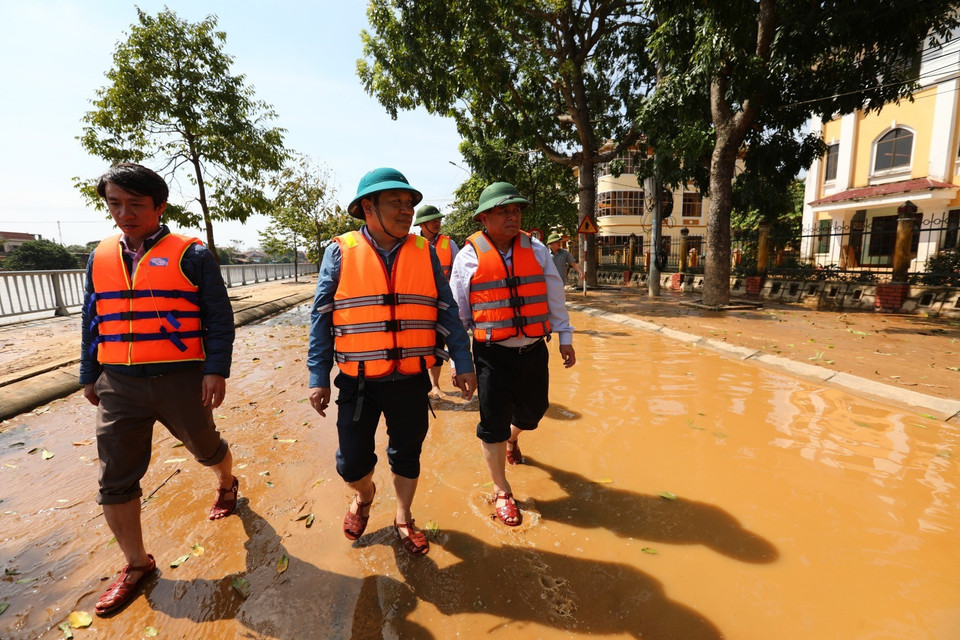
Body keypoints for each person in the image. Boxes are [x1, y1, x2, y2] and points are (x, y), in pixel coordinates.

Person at [79, 163, 237, 616]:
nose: (124, 213)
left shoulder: (193, 254)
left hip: (180, 378)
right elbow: (92, 318)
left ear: (159, 207)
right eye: (115, 204)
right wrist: (88, 373)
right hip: (119, 383)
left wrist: (215, 369)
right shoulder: (99, 256)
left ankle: (226, 480)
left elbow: (218, 317)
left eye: (135, 205)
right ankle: (135, 564)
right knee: (115, 478)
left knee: (206, 449)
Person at [308, 168, 477, 557]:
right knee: (351, 464)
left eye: (409, 204)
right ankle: (365, 497)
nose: (406, 211)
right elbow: (321, 316)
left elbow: (447, 310)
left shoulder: (424, 251)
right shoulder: (340, 250)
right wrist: (318, 375)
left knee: (407, 452)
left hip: (411, 379)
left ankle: (403, 517)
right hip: (358, 380)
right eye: (395, 203)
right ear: (368, 207)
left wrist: (463, 361)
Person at [449, 182, 576, 527]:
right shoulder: (468, 257)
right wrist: (459, 362)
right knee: (492, 424)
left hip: (534, 349)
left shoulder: (535, 249)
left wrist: (565, 335)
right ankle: (502, 489)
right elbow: (459, 313)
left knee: (534, 412)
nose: (512, 216)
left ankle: (513, 439)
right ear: (484, 217)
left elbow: (554, 295)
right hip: (491, 354)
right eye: (503, 211)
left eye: (516, 210)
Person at [414, 204, 460, 398]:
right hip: (418, 306)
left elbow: (458, 275)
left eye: (438, 220)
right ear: (421, 225)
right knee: (416, 345)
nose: (437, 223)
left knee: (438, 345)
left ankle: (435, 385)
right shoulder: (411, 244)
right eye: (432, 220)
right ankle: (416, 385)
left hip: (442, 305)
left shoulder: (449, 244)